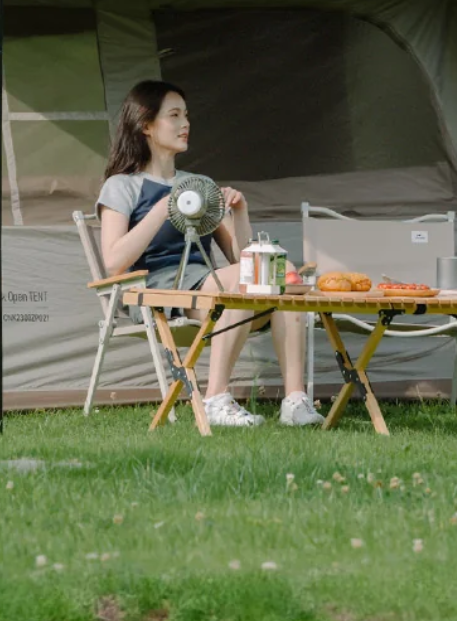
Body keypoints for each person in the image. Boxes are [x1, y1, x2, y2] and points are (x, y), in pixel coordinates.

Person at [97, 80, 320, 428]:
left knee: (280, 272)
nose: (185, 124)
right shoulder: (122, 185)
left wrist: (240, 213)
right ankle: (215, 399)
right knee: (239, 284)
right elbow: (113, 263)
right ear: (146, 125)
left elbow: (242, 261)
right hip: (155, 290)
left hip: (209, 287)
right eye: (174, 115)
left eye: (186, 115)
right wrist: (163, 208)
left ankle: (295, 401)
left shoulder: (198, 184)